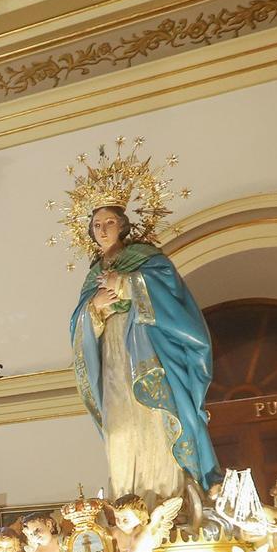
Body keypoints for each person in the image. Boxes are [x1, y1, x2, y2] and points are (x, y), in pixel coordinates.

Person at [67, 202, 219, 513]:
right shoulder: (93, 275)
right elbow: (78, 325)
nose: (103, 229)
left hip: (147, 353)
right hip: (112, 362)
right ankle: (127, 508)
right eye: (97, 224)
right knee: (120, 430)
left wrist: (125, 285)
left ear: (122, 225)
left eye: (109, 222)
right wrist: (94, 307)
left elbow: (172, 298)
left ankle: (169, 506)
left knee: (153, 421)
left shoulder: (148, 260)